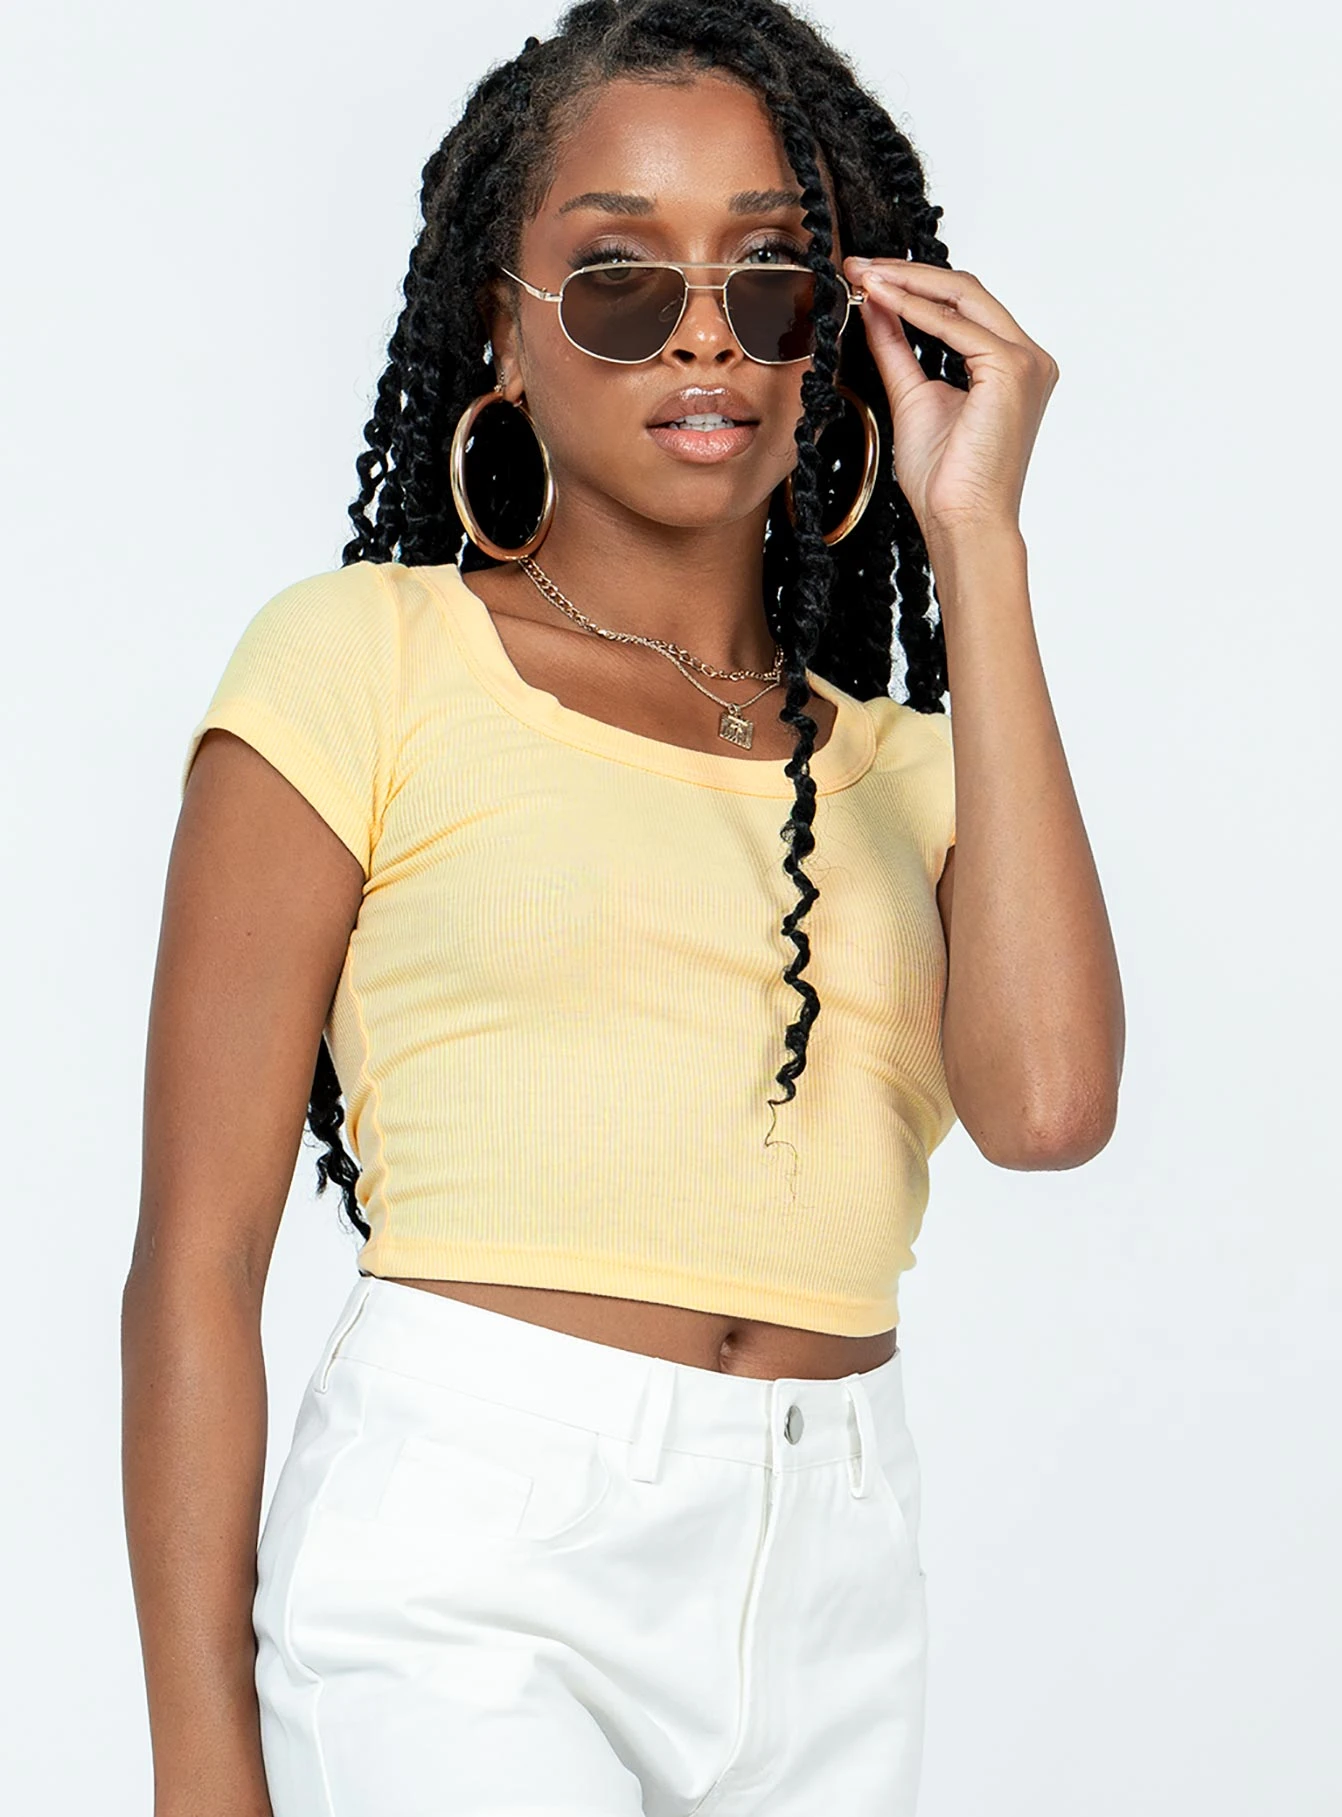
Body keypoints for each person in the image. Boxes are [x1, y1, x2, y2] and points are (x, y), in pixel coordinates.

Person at [122, 3, 1124, 1813]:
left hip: (829, 1576)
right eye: (616, 282)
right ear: (503, 330)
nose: (702, 337)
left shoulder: (913, 768)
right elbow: (197, 1260)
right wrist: (202, 1770)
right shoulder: (365, 662)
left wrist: (977, 540)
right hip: (465, 1558)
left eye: (769, 280)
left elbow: (1048, 1110)